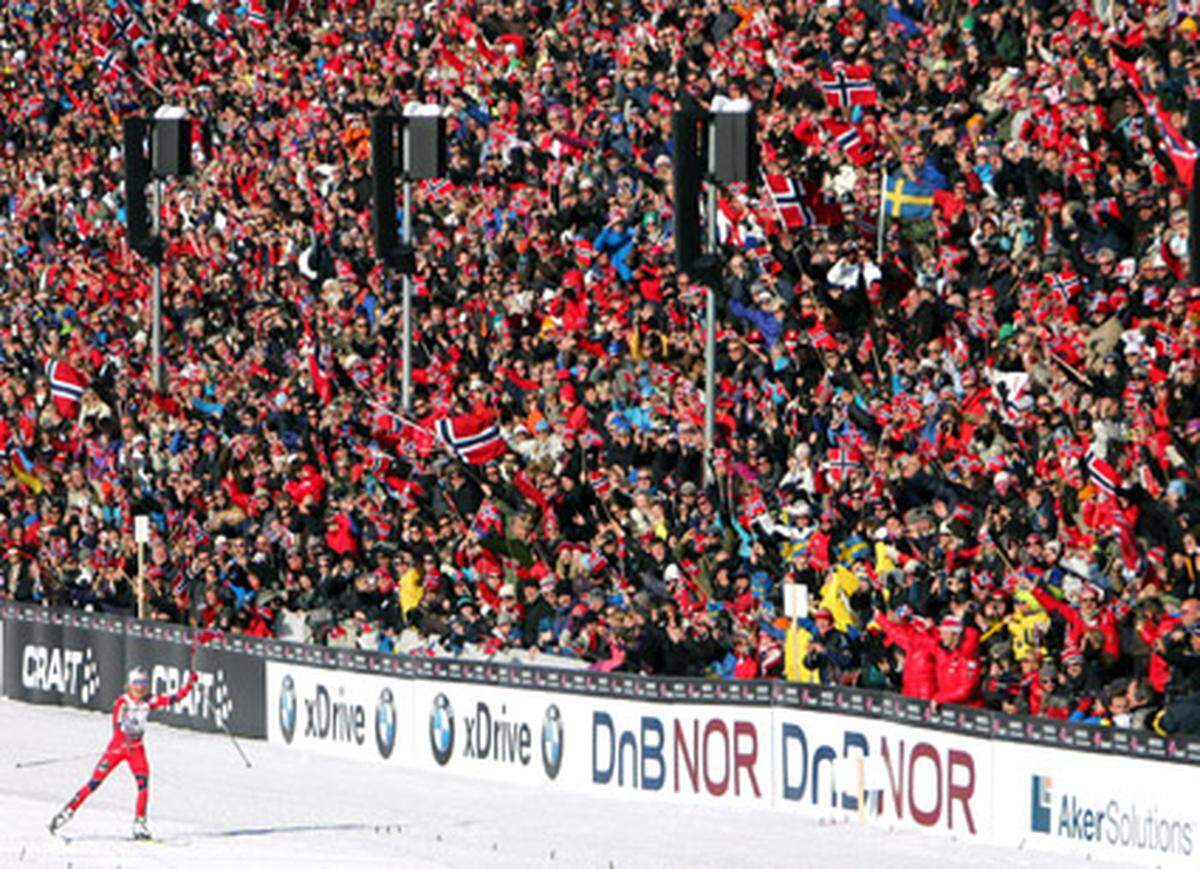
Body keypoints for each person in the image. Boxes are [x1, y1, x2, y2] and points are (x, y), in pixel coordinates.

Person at [49, 655, 200, 840]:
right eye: (137, 682)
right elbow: (117, 726)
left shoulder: (148, 700)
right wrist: (124, 741)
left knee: (143, 785)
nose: (141, 687)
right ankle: (67, 811)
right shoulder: (122, 702)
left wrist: (190, 685)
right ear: (130, 684)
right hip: (118, 748)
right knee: (94, 783)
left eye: (144, 682)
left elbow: (173, 699)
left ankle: (140, 823)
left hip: (136, 749)